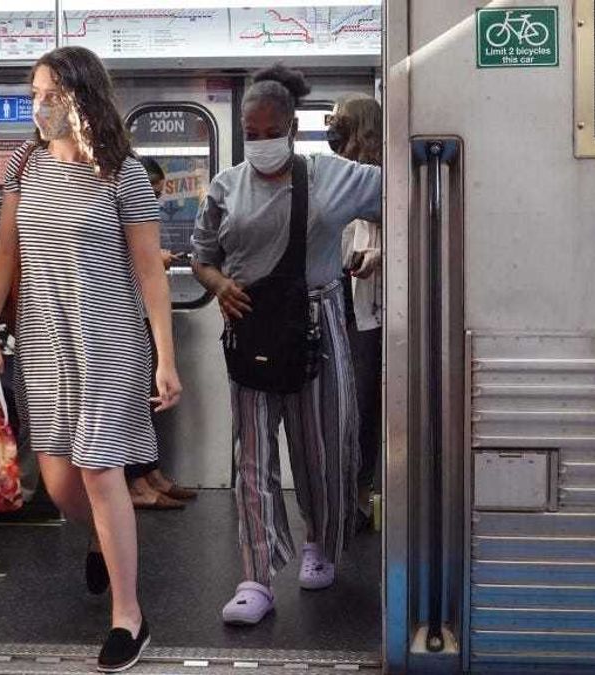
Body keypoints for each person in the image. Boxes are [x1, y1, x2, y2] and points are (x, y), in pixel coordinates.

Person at [0, 46, 181, 672]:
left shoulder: (123, 173)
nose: (39, 106)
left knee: (98, 471)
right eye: (35, 93)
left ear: (83, 96)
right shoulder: (25, 163)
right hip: (43, 341)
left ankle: (129, 617)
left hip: (110, 337)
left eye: (51, 93)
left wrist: (165, 358)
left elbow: (150, 272)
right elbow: (6, 251)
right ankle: (100, 537)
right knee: (59, 480)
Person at [191, 64, 382, 626]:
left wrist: (384, 254)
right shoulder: (226, 186)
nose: (260, 142)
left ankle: (321, 540)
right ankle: (255, 575)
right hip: (249, 330)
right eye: (251, 132)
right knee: (252, 457)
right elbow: (201, 258)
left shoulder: (332, 176)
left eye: (270, 131)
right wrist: (219, 285)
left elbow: (402, 200)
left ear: (293, 129)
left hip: (316, 326)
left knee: (322, 449)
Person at [126, 155, 198, 510]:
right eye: (151, 192)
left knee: (147, 397)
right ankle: (135, 480)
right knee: (132, 402)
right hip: (123, 316)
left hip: (140, 312)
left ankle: (150, 472)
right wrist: (156, 259)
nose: (153, 200)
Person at [331, 96, 384, 530]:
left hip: (371, 305)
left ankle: (363, 493)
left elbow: (400, 229)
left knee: (364, 404)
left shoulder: (386, 173)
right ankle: (347, 490)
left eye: (341, 121)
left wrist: (378, 255)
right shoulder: (338, 173)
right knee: (345, 403)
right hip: (342, 296)